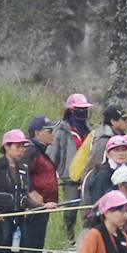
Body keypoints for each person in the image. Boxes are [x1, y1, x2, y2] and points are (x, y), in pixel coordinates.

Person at [48, 93, 94, 241]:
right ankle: (68, 237)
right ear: (71, 110)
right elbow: (52, 153)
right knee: (70, 210)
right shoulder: (61, 130)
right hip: (69, 176)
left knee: (88, 208)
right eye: (79, 109)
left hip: (87, 175)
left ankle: (87, 238)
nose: (83, 112)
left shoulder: (89, 129)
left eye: (84, 109)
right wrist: (52, 173)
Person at [19, 115, 58, 253]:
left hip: (43, 206)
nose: (52, 133)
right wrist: (30, 193)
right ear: (37, 133)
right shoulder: (31, 151)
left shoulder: (40, 152)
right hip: (34, 207)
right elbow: (21, 173)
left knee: (34, 252)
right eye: (49, 130)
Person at [83, 132, 127, 216]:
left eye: (124, 150)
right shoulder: (103, 174)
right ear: (108, 154)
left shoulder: (126, 171)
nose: (121, 153)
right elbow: (98, 203)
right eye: (116, 150)